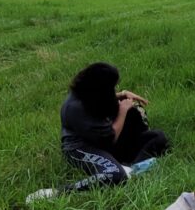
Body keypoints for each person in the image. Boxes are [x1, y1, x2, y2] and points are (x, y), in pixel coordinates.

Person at [26, 62, 169, 201]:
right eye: (112, 88)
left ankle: (130, 169)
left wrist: (122, 95)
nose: (114, 91)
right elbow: (109, 139)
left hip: (103, 141)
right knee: (115, 175)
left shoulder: (88, 94)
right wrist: (123, 110)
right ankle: (58, 192)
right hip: (82, 148)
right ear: (100, 89)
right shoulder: (74, 108)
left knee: (158, 138)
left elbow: (102, 103)